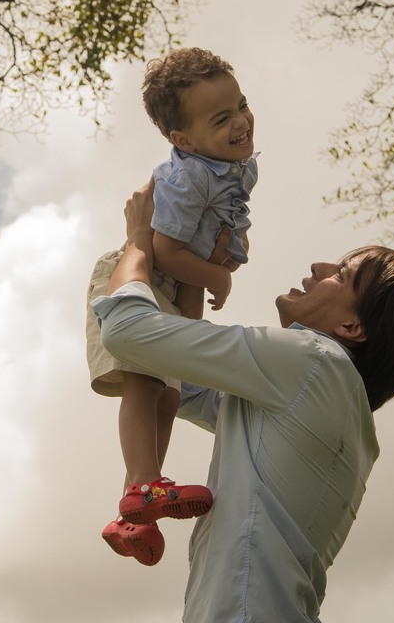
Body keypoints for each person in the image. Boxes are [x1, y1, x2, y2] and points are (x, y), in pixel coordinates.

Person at [92, 179, 394, 622]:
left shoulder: (314, 361)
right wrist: (191, 271)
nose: (319, 266)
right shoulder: (329, 399)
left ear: (353, 328)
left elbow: (126, 332)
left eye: (342, 274)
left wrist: (139, 240)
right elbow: (176, 377)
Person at [84, 47, 257, 566]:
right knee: (143, 384)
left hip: (173, 288)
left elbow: (192, 260)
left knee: (166, 396)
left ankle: (134, 513)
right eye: (222, 118)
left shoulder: (228, 166)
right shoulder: (190, 177)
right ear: (182, 140)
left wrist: (192, 328)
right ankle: (141, 486)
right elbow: (163, 250)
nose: (242, 122)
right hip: (138, 275)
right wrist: (217, 277)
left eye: (242, 105)